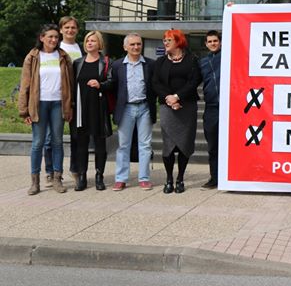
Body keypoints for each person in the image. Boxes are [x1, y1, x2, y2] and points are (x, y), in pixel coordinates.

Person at [18, 24, 73, 195]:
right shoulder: (33, 56)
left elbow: (70, 83)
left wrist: (70, 106)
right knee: (38, 143)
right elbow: (25, 85)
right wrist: (24, 111)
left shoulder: (63, 56)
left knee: (57, 142)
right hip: (39, 104)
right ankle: (35, 182)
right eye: (50, 36)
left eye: (56, 37)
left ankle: (57, 178)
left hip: (58, 104)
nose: (54, 40)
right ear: (42, 38)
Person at [104, 33, 157, 191]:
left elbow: (155, 85)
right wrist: (99, 85)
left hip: (145, 107)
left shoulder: (150, 64)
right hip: (126, 108)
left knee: (145, 145)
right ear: (125, 47)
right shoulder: (118, 65)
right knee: (123, 145)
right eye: (132, 44)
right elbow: (112, 85)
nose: (136, 47)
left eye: (138, 44)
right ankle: (121, 179)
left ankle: (144, 178)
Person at [153, 29, 202, 194]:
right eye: (164, 40)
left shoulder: (192, 60)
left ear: (178, 42)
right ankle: (169, 179)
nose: (165, 43)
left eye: (169, 40)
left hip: (186, 107)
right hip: (167, 107)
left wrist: (177, 97)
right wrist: (169, 98)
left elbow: (194, 81)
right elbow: (155, 83)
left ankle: (180, 178)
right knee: (168, 145)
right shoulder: (160, 61)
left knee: (184, 144)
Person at [42, 16, 82, 187]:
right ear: (61, 30)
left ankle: (75, 169)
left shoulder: (81, 48)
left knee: (76, 137)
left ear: (77, 30)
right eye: (66, 27)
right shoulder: (56, 48)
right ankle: (50, 172)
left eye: (73, 27)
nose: (70, 30)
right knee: (50, 138)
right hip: (56, 98)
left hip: (76, 97)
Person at [71, 31, 112, 191]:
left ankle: (99, 176)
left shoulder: (106, 62)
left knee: (100, 142)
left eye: (93, 41)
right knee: (81, 142)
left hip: (98, 107)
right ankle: (82, 176)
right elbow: (72, 84)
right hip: (81, 107)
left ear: (99, 44)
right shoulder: (77, 63)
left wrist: (100, 84)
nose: (89, 43)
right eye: (87, 40)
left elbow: (112, 82)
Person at [199, 30, 222, 190]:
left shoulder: (228, 57)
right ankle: (214, 178)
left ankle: (231, 176)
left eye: (215, 41)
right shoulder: (203, 62)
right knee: (212, 145)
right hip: (211, 107)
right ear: (206, 44)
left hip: (229, 106)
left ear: (220, 42)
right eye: (210, 41)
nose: (213, 43)